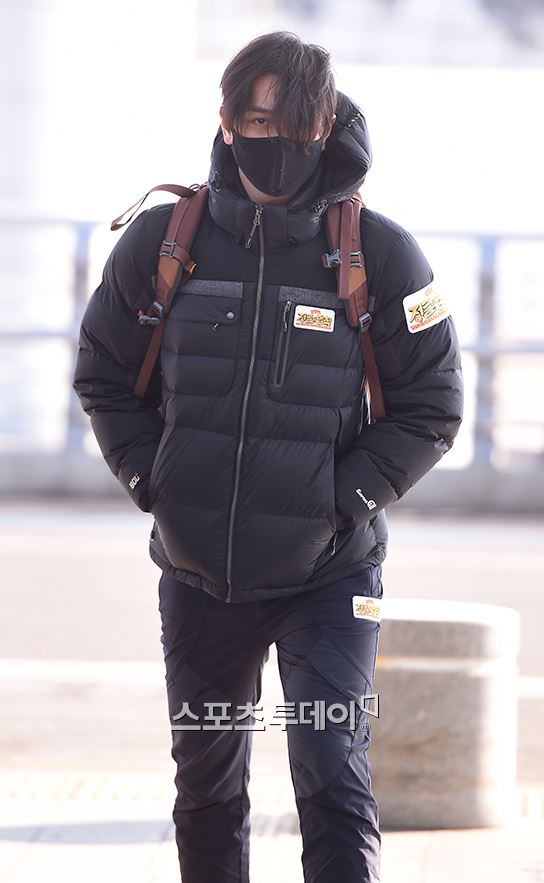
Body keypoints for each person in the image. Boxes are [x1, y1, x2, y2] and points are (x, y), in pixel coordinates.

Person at [72, 30, 463, 883]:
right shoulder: (162, 242)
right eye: (258, 121)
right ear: (226, 120)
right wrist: (153, 480)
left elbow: (435, 404)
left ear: (326, 128)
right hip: (199, 574)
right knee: (207, 787)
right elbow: (102, 373)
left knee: (333, 774)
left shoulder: (381, 253)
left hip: (330, 574)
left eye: (299, 128)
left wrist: (338, 502)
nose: (277, 143)